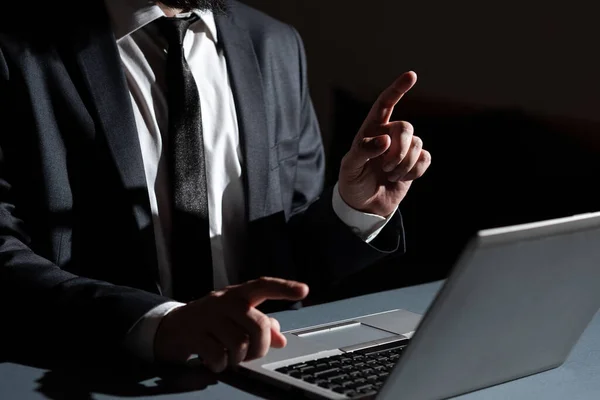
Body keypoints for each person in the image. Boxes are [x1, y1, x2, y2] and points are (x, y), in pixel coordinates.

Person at [0, 0, 430, 373]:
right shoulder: (15, 44)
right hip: (92, 373)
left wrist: (353, 207)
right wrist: (158, 323)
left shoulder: (275, 43)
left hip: (261, 368)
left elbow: (290, 258)